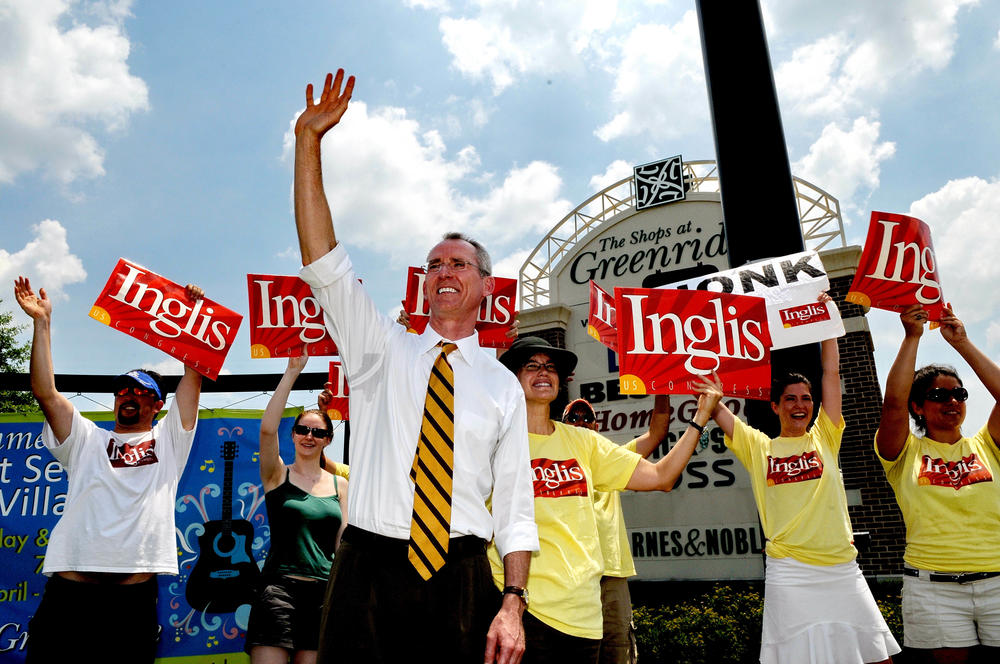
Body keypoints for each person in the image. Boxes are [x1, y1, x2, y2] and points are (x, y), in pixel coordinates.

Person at [292, 69, 538, 664]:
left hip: (461, 574)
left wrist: (512, 603)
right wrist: (308, 141)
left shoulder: (504, 386)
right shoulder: (378, 349)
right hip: (368, 569)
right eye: (433, 265)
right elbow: (323, 258)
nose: (443, 270)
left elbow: (514, 502)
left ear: (485, 285)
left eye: (458, 263)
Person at [13, 276, 204, 664]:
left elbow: (193, 375)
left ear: (156, 406)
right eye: (123, 390)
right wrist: (42, 323)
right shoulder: (86, 439)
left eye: (141, 391)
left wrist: (193, 317)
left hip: (130, 604)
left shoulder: (170, 441)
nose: (129, 395)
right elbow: (45, 392)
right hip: (70, 597)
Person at [495, 336, 717, 663]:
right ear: (513, 378)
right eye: (531, 366)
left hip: (584, 622)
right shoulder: (494, 440)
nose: (543, 372)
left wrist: (701, 416)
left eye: (550, 367)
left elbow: (660, 476)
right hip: (526, 614)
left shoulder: (584, 442)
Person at [698, 327, 900, 663]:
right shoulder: (759, 447)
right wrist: (699, 378)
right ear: (775, 407)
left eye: (806, 398)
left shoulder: (825, 436)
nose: (800, 404)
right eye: (790, 399)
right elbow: (715, 406)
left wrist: (829, 329)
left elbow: (831, 373)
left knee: (878, 657)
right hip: (789, 571)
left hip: (840, 567)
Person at [877, 303, 1000, 663]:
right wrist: (912, 336)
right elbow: (892, 405)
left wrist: (961, 342)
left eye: (958, 394)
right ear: (919, 406)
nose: (951, 401)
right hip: (933, 590)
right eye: (938, 395)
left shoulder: (986, 444)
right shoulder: (903, 451)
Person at [246, 354, 348, 664]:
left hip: (323, 597)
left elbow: (343, 546)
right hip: (278, 591)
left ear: (328, 440)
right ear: (293, 434)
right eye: (303, 429)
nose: (309, 436)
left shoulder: (341, 485)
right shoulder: (277, 474)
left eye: (318, 432)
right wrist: (292, 371)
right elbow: (266, 430)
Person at [561, 397, 671, 664]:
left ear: (596, 427)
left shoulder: (613, 462)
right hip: (571, 577)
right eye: (573, 418)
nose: (581, 423)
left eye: (587, 418)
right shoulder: (552, 470)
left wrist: (662, 385)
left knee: (617, 652)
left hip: (612, 575)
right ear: (562, 426)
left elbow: (657, 432)